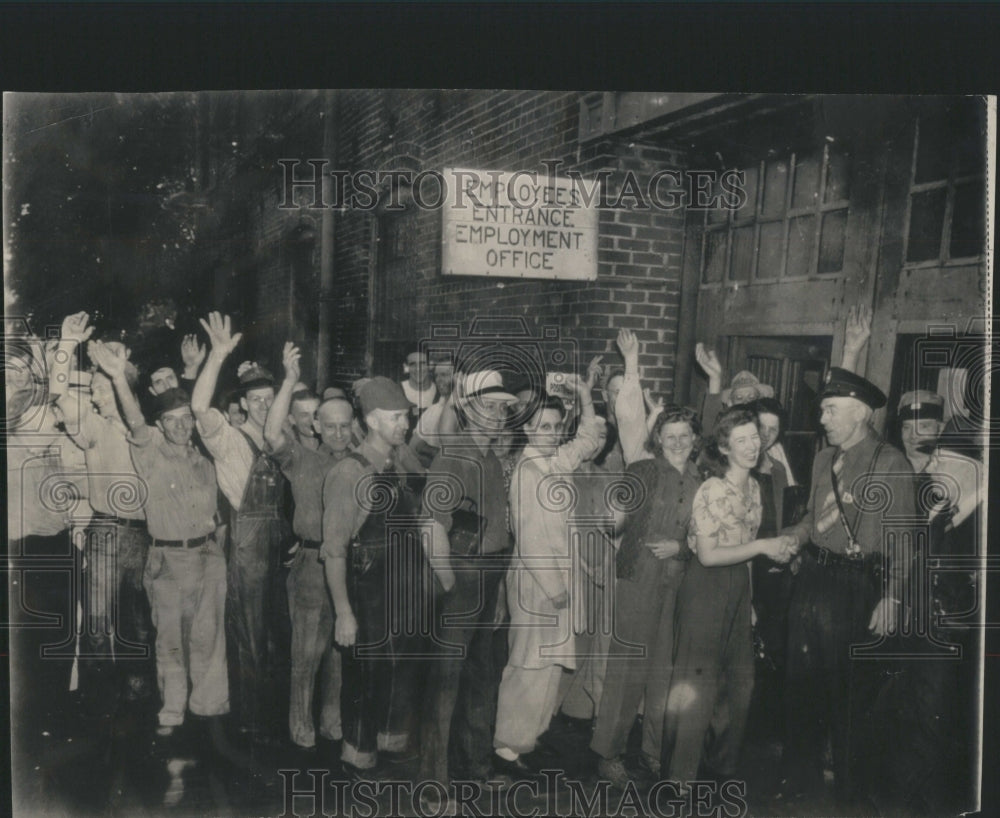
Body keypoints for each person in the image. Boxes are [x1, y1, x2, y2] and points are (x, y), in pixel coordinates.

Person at [778, 367, 917, 808]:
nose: (822, 418)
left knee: (850, 696)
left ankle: (852, 797)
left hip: (857, 586)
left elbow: (902, 537)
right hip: (813, 580)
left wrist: (892, 595)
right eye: (822, 409)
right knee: (801, 686)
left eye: (830, 410)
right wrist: (796, 537)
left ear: (859, 412)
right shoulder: (824, 458)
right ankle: (799, 779)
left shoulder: (890, 462)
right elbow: (810, 517)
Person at [89, 341, 228, 735]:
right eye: (173, 420)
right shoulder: (150, 452)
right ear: (161, 425)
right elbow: (134, 421)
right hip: (168, 561)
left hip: (208, 557)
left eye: (187, 418)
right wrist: (117, 376)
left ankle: (209, 707)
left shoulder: (204, 459)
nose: (182, 425)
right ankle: (173, 710)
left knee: (207, 637)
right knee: (169, 640)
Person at [663, 406, 793, 789]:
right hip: (705, 585)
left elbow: (747, 553)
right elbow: (707, 554)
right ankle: (679, 778)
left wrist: (749, 601)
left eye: (755, 437)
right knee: (696, 684)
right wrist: (763, 545)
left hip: (737, 585)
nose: (753, 445)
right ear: (724, 448)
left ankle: (719, 767)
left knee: (740, 684)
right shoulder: (712, 489)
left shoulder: (754, 486)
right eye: (742, 440)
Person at [49, 312, 156, 717]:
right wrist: (66, 344)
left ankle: (137, 700)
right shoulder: (91, 426)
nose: (92, 394)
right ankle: (95, 702)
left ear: (119, 384)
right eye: (91, 386)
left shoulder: (144, 426)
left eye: (98, 385)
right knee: (96, 622)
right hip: (107, 531)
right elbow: (59, 393)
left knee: (139, 622)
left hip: (145, 535)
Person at [191, 312, 291, 745]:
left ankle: (275, 719)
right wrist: (216, 356)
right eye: (258, 400)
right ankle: (251, 725)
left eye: (272, 397)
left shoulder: (285, 442)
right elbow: (198, 408)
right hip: (248, 544)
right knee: (249, 634)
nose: (266, 405)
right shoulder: (230, 441)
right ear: (245, 404)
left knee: (277, 636)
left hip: (281, 544)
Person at [493, 377, 600, 776]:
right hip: (537, 584)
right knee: (528, 667)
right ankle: (505, 748)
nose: (553, 434)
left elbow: (588, 440)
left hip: (556, 581)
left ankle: (529, 739)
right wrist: (555, 589)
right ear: (525, 428)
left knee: (549, 667)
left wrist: (586, 398)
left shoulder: (553, 461)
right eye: (544, 427)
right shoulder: (528, 472)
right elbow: (531, 540)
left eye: (557, 427)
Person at [418, 370, 519, 789]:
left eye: (501, 409)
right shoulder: (452, 457)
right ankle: (434, 782)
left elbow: (494, 528)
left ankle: (474, 768)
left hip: (488, 573)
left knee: (482, 676)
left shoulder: (491, 457)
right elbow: (430, 525)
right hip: (459, 576)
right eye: (487, 407)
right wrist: (447, 583)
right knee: (445, 684)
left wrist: (494, 592)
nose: (496, 415)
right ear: (466, 409)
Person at [591, 406, 702, 786]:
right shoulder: (642, 470)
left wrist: (682, 548)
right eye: (669, 435)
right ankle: (609, 753)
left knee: (666, 674)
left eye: (684, 434)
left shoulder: (703, 478)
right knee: (627, 670)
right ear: (658, 439)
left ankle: (654, 752)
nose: (677, 442)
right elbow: (612, 520)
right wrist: (612, 513)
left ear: (695, 438)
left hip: (682, 582)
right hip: (639, 579)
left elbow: (708, 536)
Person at [322, 376, 428, 775]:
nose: (405, 424)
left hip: (401, 590)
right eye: (396, 417)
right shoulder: (349, 473)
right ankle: (357, 755)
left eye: (407, 416)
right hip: (366, 594)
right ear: (369, 420)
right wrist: (344, 612)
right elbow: (333, 551)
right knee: (365, 675)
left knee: (398, 669)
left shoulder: (401, 462)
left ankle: (389, 742)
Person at [264, 343, 353, 752]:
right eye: (328, 426)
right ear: (315, 425)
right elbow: (270, 433)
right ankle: (300, 723)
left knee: (339, 649)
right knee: (307, 652)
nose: (337, 433)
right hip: (311, 563)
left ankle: (331, 718)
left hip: (349, 565)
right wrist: (287, 381)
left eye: (343, 426)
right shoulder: (300, 458)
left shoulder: (355, 462)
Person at [400, 350, 437, 421]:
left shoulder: (440, 391)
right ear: (406, 367)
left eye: (423, 363)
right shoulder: (397, 390)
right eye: (413, 364)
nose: (418, 369)